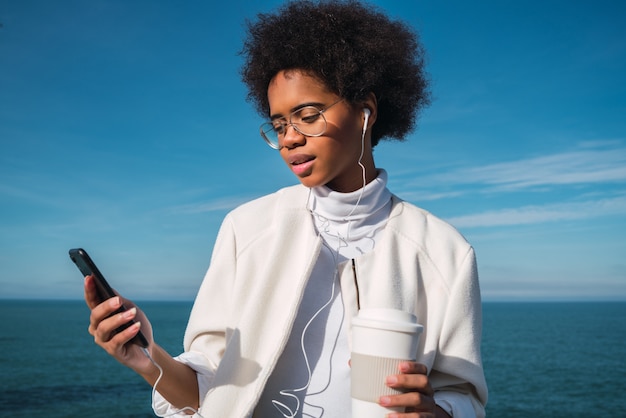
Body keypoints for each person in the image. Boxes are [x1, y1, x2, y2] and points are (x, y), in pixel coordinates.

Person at [84, 1, 488, 417]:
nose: (289, 139)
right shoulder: (247, 228)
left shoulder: (445, 252)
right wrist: (146, 357)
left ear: (366, 110)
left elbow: (464, 397)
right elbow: (210, 393)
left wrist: (436, 413)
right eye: (278, 126)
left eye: (308, 115)